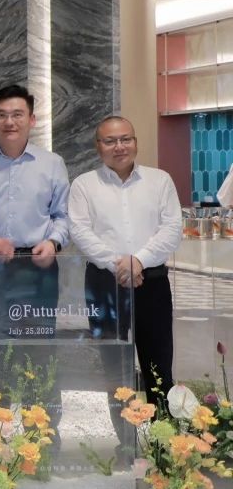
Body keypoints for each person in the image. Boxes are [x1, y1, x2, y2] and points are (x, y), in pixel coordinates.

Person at [69, 116, 181, 400]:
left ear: (135, 142)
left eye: (125, 139)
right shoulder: (84, 184)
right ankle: (123, 429)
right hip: (104, 284)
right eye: (110, 141)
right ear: (98, 146)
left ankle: (162, 427)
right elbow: (79, 231)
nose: (119, 146)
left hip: (151, 282)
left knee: (158, 365)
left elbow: (172, 229)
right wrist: (118, 264)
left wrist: (138, 261)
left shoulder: (160, 180)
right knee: (114, 370)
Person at [0, 85, 69, 356]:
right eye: (1, 115)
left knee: (39, 345)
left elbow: (63, 216)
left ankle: (39, 387)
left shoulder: (52, 163)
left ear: (32, 120)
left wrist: (53, 243)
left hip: (38, 265)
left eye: (17, 114)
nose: (9, 122)